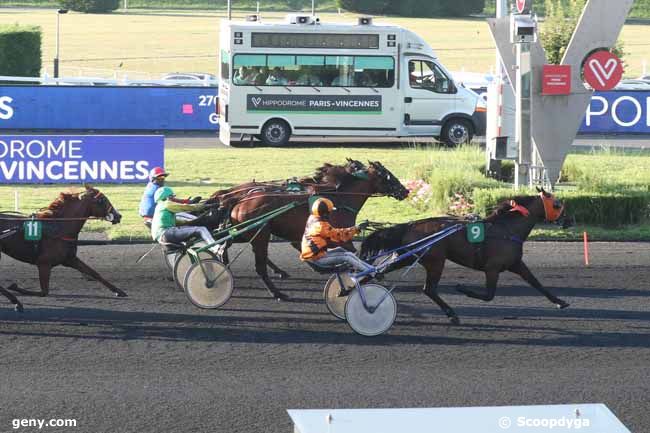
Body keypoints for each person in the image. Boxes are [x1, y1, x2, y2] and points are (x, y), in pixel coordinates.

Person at [300, 198, 372, 280]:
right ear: (325, 214)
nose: (331, 214)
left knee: (341, 250)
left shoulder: (313, 218)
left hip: (315, 256)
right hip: (317, 259)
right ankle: (371, 272)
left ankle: (365, 267)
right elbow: (339, 235)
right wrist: (357, 229)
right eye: (330, 212)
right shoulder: (320, 226)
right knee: (347, 256)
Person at [151, 186, 221, 254]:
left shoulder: (160, 207)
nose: (173, 198)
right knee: (201, 229)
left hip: (163, 236)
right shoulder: (166, 204)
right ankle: (216, 248)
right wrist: (206, 206)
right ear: (166, 197)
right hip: (166, 234)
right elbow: (186, 207)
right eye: (171, 197)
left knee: (193, 229)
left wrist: (193, 221)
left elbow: (179, 222)